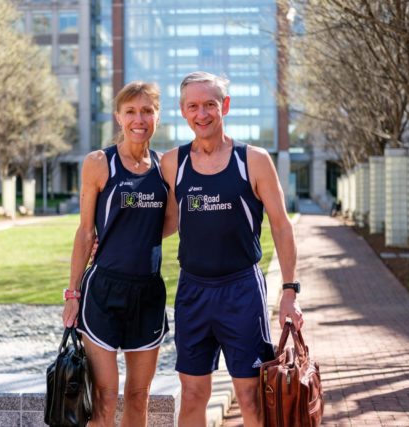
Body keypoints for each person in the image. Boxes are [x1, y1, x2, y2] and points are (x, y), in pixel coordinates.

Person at [160, 71, 303, 426]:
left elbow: (282, 227)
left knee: (250, 398)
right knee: (192, 395)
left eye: (210, 104)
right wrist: (111, 237)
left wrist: (289, 291)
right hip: (192, 291)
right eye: (193, 106)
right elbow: (167, 223)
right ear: (183, 111)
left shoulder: (253, 160)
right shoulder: (172, 163)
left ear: (225, 105)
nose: (202, 114)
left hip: (242, 291)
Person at [62, 81, 173, 427]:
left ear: (157, 116)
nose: (139, 119)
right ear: (119, 117)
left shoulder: (166, 167)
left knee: (139, 397)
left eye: (146, 111)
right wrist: (72, 293)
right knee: (106, 399)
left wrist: (134, 236)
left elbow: (169, 222)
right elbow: (84, 232)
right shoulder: (99, 163)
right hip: (104, 292)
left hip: (148, 293)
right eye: (130, 111)